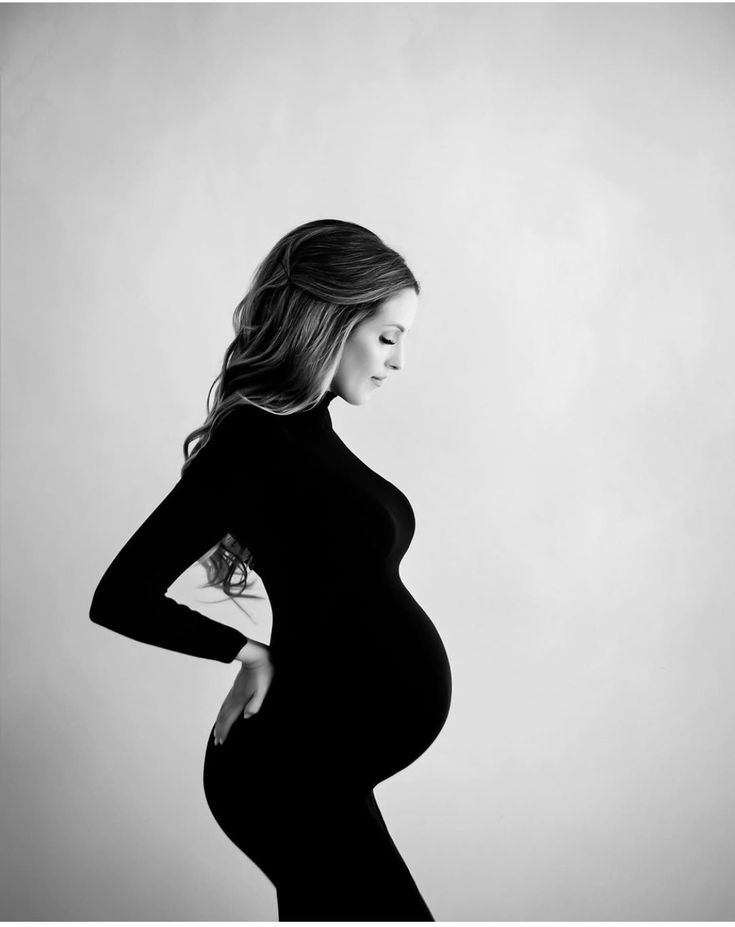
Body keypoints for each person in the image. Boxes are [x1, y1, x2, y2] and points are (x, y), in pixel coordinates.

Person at [89, 218, 453, 922]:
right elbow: (121, 595)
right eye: (386, 335)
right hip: (287, 769)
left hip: (318, 763)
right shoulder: (252, 437)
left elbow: (276, 564)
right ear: (330, 320)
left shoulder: (303, 430)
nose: (398, 360)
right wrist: (247, 650)